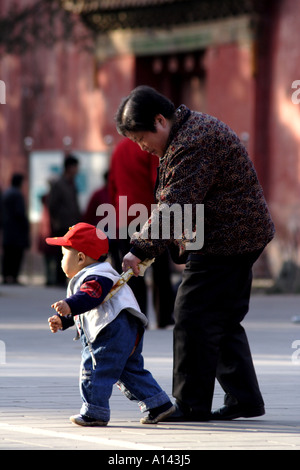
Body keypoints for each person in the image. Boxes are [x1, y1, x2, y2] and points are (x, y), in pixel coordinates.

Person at [115, 85, 275, 421]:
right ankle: (244, 399)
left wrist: (139, 249)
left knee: (190, 315)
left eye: (143, 139)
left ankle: (189, 404)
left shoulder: (192, 141)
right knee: (222, 319)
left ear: (160, 120)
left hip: (227, 238)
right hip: (233, 234)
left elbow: (175, 207)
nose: (143, 148)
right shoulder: (187, 132)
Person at [46, 222, 175, 426]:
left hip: (111, 331)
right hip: (126, 329)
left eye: (64, 255)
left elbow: (91, 297)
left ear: (80, 257)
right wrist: (63, 320)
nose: (62, 260)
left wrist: (69, 304)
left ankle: (94, 411)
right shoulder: (100, 274)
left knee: (95, 368)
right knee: (129, 370)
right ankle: (159, 404)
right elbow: (87, 306)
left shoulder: (97, 276)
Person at [109, 137, 175, 327]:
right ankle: (163, 317)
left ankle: (137, 317)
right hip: (148, 214)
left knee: (132, 271)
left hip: (123, 214)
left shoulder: (119, 148)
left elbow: (112, 183)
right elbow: (157, 182)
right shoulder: (149, 146)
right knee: (161, 269)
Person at [47, 154, 81, 285]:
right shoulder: (59, 184)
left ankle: (64, 277)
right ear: (69, 167)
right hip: (61, 224)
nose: (77, 170)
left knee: (70, 252)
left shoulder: (72, 184)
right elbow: (52, 204)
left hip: (71, 224)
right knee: (60, 253)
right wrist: (55, 221)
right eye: (76, 167)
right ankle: (59, 279)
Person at [1, 173, 30, 284]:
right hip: (17, 230)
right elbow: (20, 213)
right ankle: (13, 276)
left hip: (7, 229)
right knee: (16, 254)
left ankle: (5, 276)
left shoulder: (6, 193)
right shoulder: (17, 194)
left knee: (8, 254)